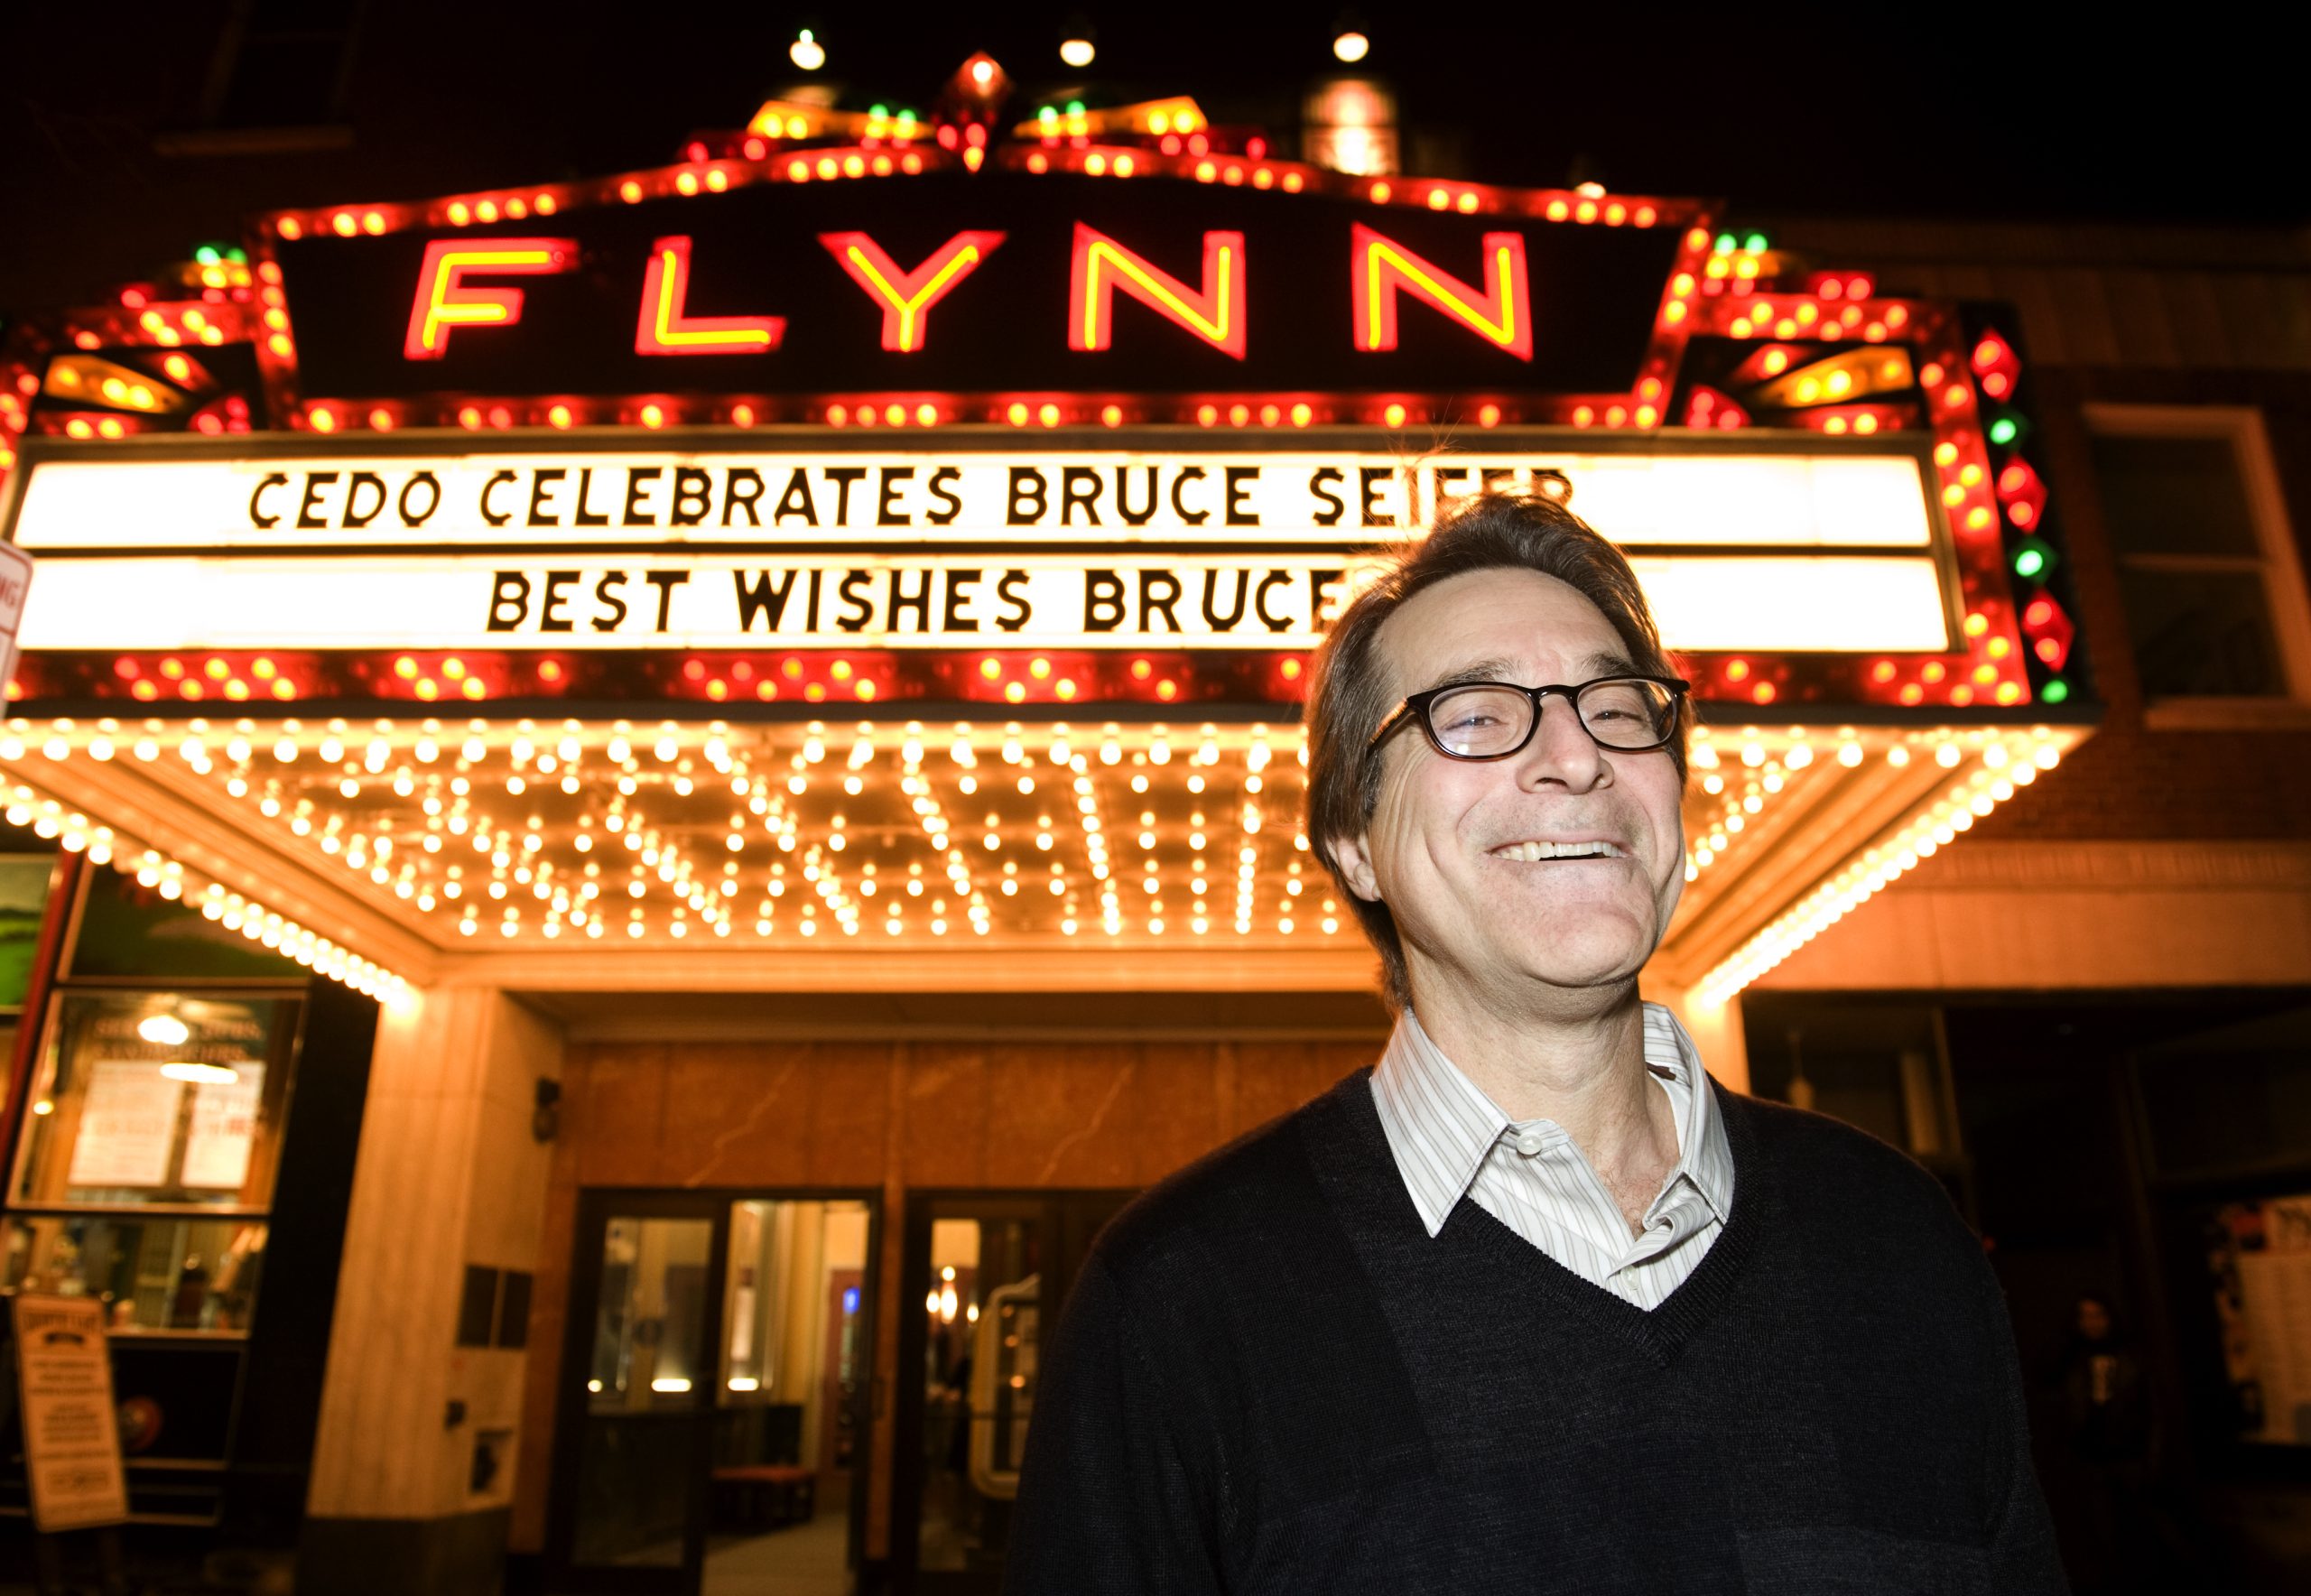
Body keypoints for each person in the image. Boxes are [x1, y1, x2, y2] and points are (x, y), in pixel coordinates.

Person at [1006, 492, 2067, 1593]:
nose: (1574, 757)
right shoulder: (1178, 1299)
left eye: (1616, 706)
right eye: (1470, 712)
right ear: (1354, 844)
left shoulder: (1897, 1236)